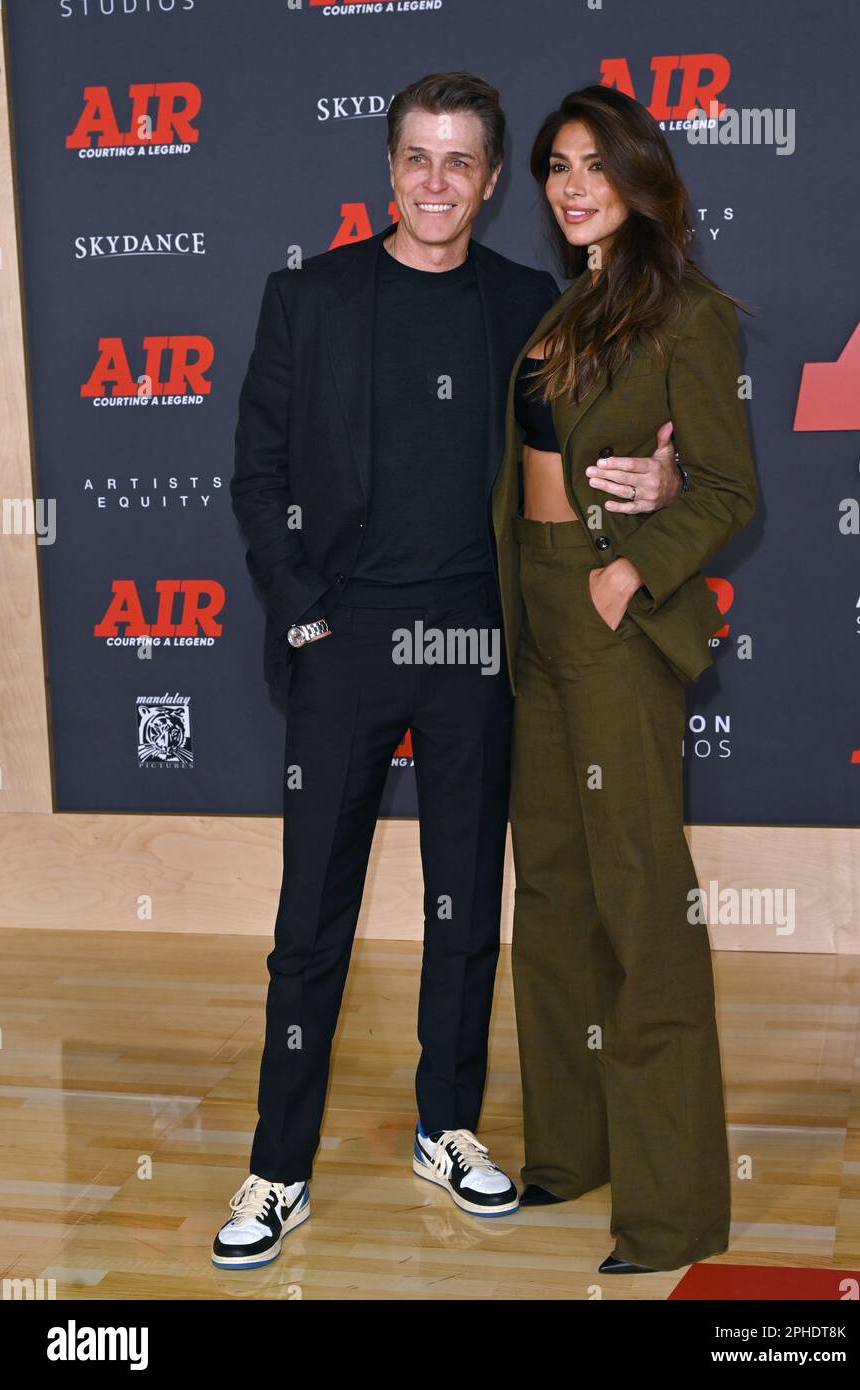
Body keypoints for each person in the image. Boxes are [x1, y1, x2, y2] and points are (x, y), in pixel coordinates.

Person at [216, 72, 682, 1269]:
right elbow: (257, 476)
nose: (435, 181)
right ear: (389, 168)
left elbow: (599, 439)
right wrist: (305, 615)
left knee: (464, 905)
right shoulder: (307, 295)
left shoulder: (530, 303)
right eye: (415, 157)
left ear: (487, 180)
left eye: (459, 161)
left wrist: (667, 483)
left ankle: (446, 1123)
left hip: (479, 642)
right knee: (309, 917)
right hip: (343, 645)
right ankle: (276, 1166)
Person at [492, 83, 757, 1274]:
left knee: (641, 906)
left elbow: (725, 489)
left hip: (605, 618)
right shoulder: (564, 307)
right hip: (534, 616)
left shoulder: (684, 315)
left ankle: (669, 1211)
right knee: (550, 893)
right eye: (555, 164)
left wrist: (626, 568)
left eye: (594, 163)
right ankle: (571, 1148)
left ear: (639, 178)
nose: (570, 184)